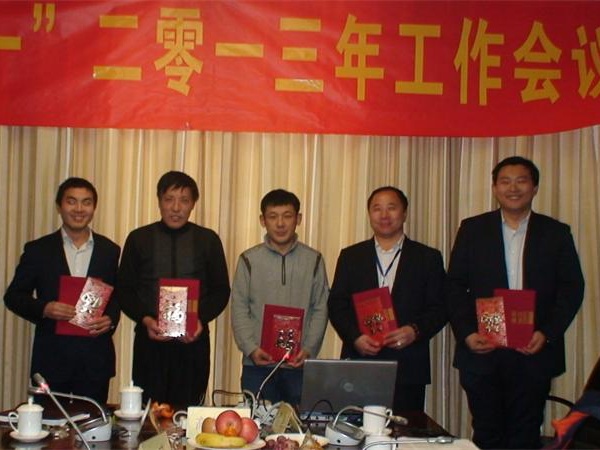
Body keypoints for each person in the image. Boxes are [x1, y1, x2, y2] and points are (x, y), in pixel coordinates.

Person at [447, 156, 585, 449]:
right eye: (505, 181)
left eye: (521, 181)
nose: (513, 188)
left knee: (525, 433)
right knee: (487, 433)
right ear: (495, 188)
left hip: (533, 350)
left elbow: (572, 288)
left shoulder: (556, 232)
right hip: (483, 349)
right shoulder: (473, 229)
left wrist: (547, 333)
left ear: (534, 187)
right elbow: (454, 286)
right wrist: (467, 333)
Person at [328, 186, 446, 412]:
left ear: (404, 213)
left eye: (391, 208)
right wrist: (355, 337)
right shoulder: (351, 256)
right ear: (369, 214)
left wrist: (414, 331)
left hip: (408, 364)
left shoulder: (427, 257)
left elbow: (440, 307)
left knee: (405, 428)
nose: (384, 215)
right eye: (377, 209)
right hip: (360, 361)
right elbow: (337, 304)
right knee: (356, 428)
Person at [117, 171, 230, 406]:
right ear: (159, 200)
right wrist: (146, 319)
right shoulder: (139, 239)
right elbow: (125, 290)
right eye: (169, 199)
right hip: (150, 342)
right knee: (150, 413)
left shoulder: (208, 240)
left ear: (193, 204)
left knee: (188, 413)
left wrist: (200, 319)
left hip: (193, 342)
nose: (176, 208)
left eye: (184, 200)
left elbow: (221, 290)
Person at [4, 177, 120, 403]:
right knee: (49, 423)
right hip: (52, 360)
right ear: (59, 206)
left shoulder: (110, 250)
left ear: (94, 208)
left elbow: (117, 295)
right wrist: (45, 308)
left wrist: (111, 319)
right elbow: (13, 296)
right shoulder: (38, 250)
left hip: (95, 361)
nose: (79, 209)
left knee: (92, 424)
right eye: (71, 201)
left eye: (86, 202)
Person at [231, 189, 329, 406]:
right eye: (273, 216)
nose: (280, 223)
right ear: (262, 220)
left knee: (299, 423)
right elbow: (239, 308)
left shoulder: (313, 260)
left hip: (299, 365)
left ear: (298, 219)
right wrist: (251, 349)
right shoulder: (248, 259)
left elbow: (321, 307)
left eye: (287, 216)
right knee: (257, 423)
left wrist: (309, 349)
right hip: (257, 365)